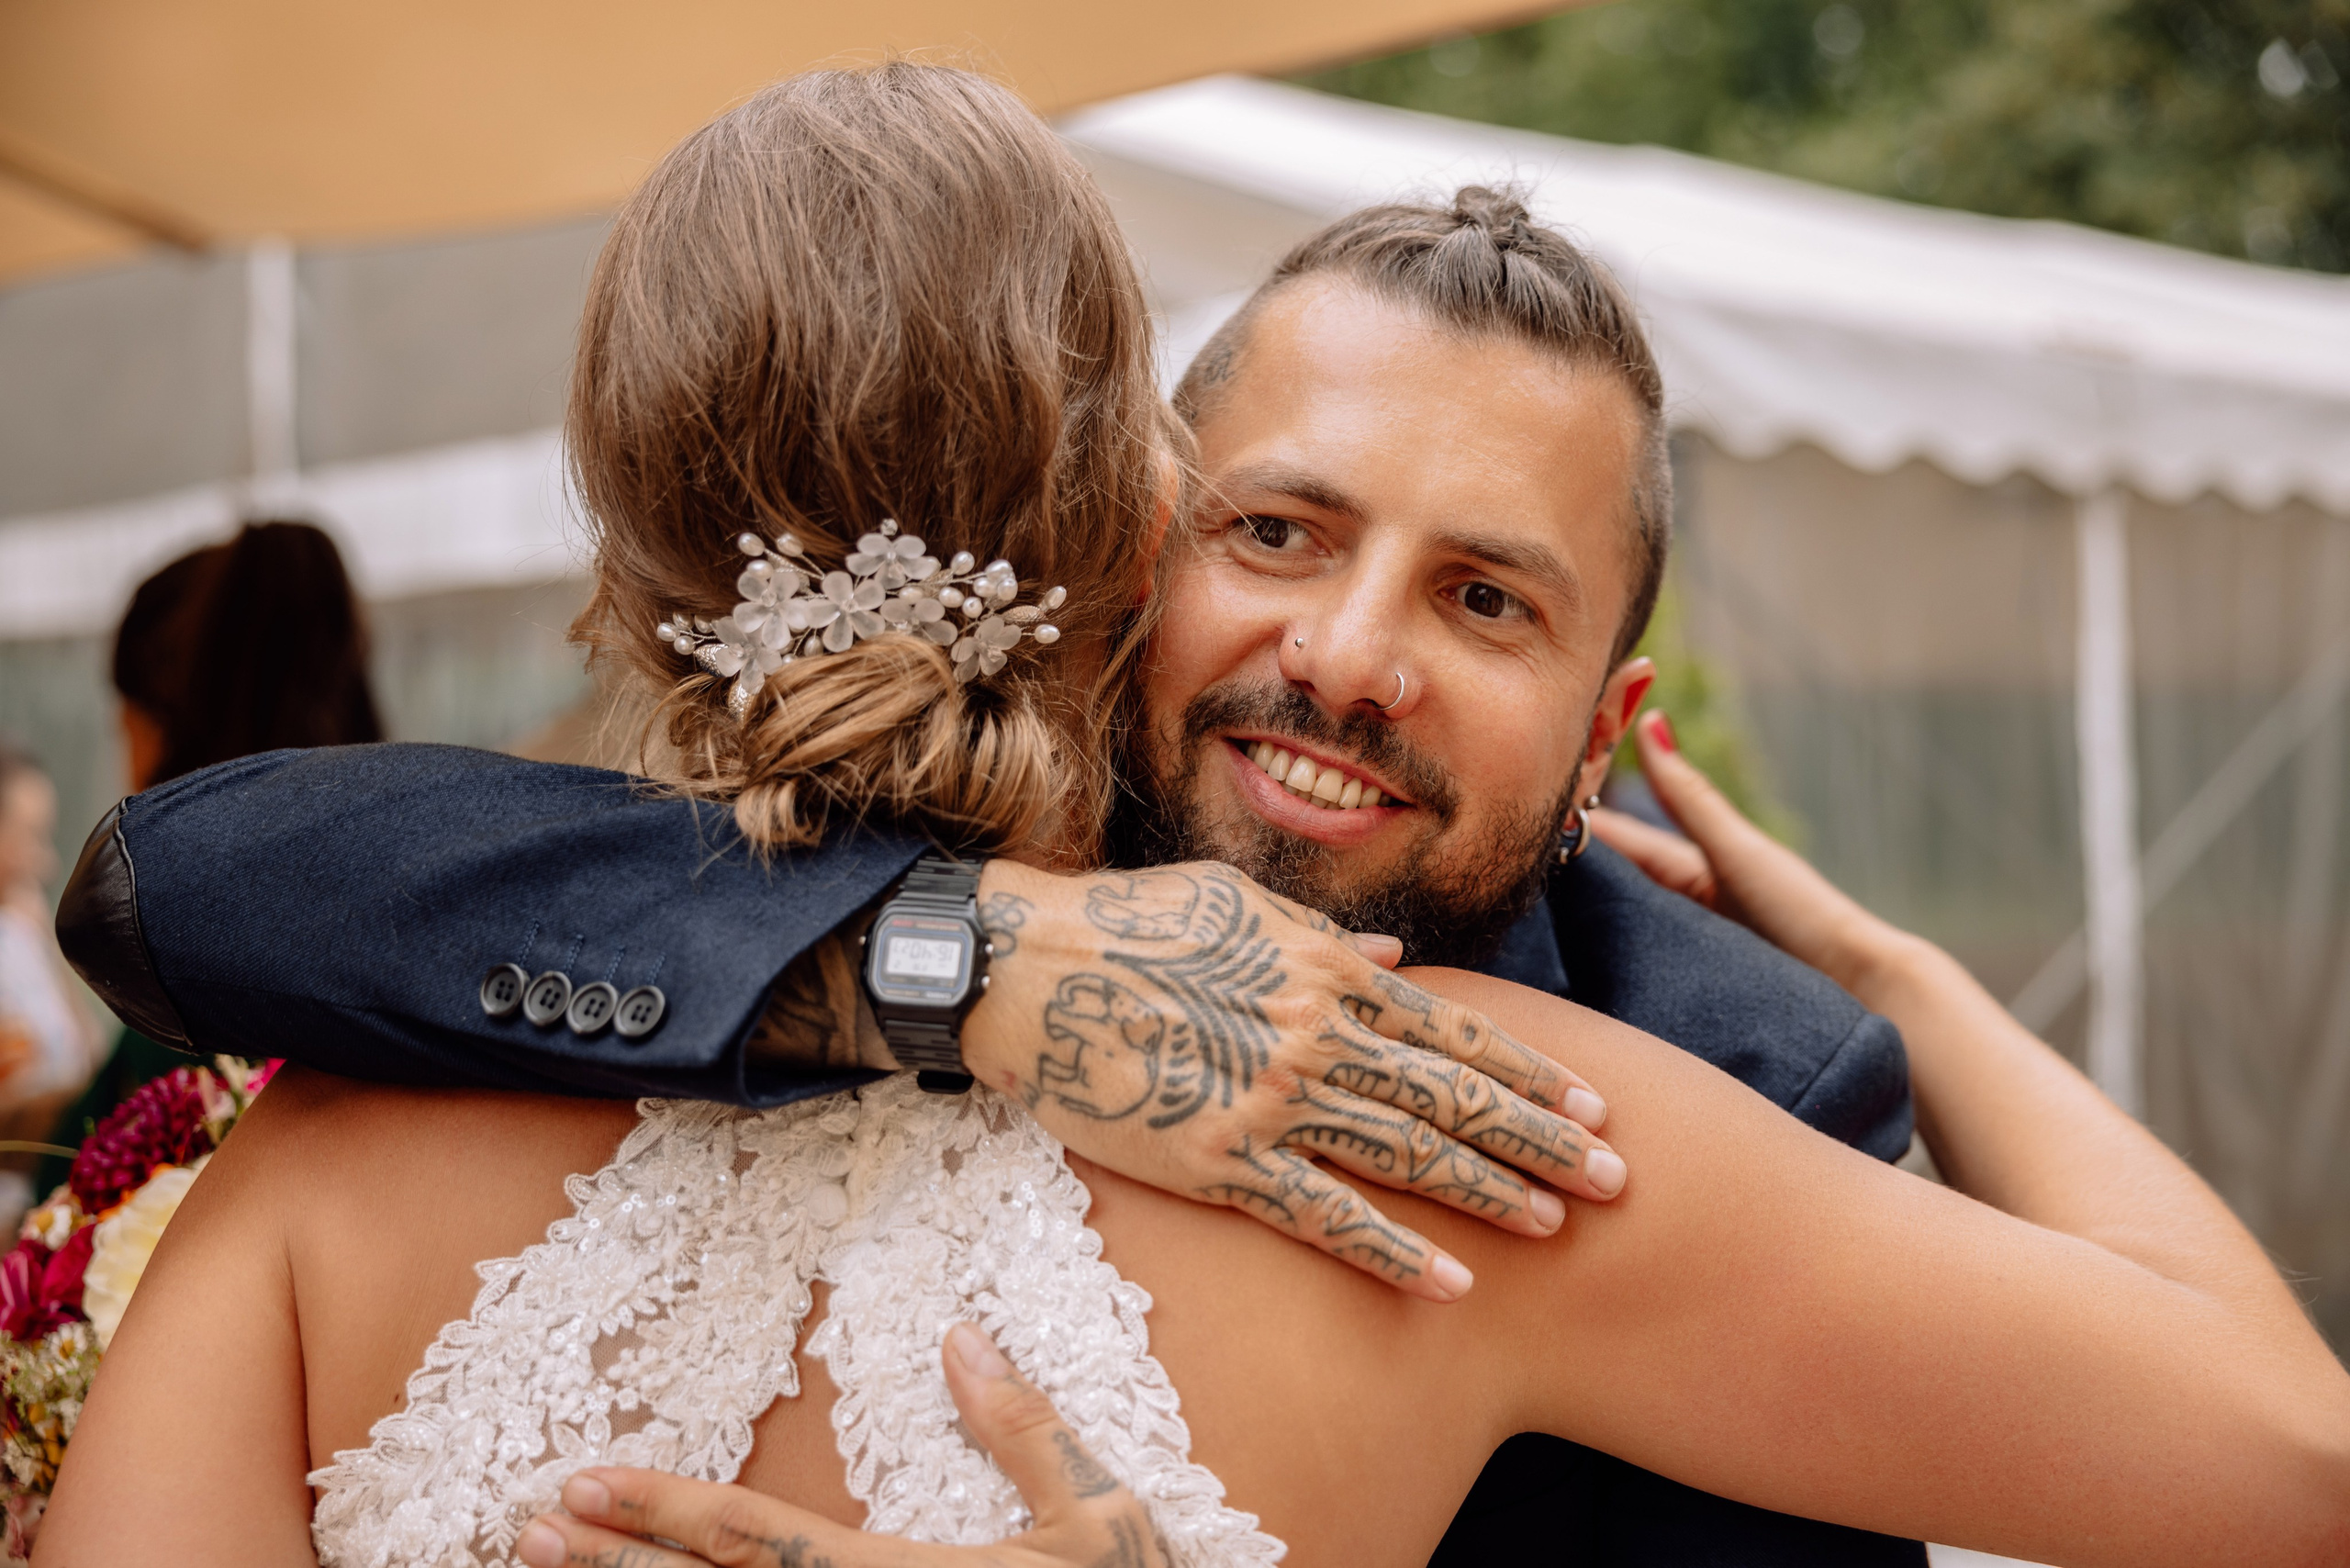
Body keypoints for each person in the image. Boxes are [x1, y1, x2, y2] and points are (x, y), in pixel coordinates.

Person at [38, 62, 2350, 1568]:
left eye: (1479, 596)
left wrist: (1898, 980)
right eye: (1279, 535)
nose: (1348, 651)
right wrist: (951, 971)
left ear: (1603, 718)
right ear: (1128, 535)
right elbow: (182, 872)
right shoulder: (486, 962)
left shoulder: (1634, 1119)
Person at [33, 521, 383, 1199]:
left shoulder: (186, 989)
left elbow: (62, 1204)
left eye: (122, 724)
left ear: (158, 721)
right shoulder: (402, 903)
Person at [0, 745, 97, 1229]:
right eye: (31, 836)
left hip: (52, 1195)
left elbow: (88, 1049)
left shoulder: (26, 922)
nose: (47, 861)